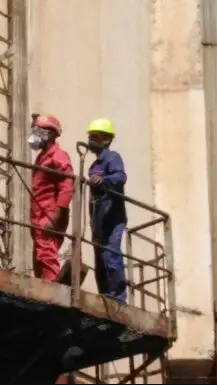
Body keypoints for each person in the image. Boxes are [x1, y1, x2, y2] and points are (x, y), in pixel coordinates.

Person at [86, 118, 128, 303]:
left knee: (111, 254)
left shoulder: (112, 158)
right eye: (90, 137)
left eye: (96, 137)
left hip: (112, 216)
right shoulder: (93, 166)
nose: (91, 141)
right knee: (100, 259)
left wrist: (104, 181)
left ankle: (118, 297)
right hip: (98, 218)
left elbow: (120, 177)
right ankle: (104, 295)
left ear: (107, 140)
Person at [28, 114, 74, 281]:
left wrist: (56, 215)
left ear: (50, 133)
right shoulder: (42, 157)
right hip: (39, 216)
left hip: (49, 215)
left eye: (38, 130)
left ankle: (50, 289)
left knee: (46, 255)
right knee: (39, 257)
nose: (34, 134)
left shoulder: (58, 155)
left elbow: (67, 185)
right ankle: (43, 286)